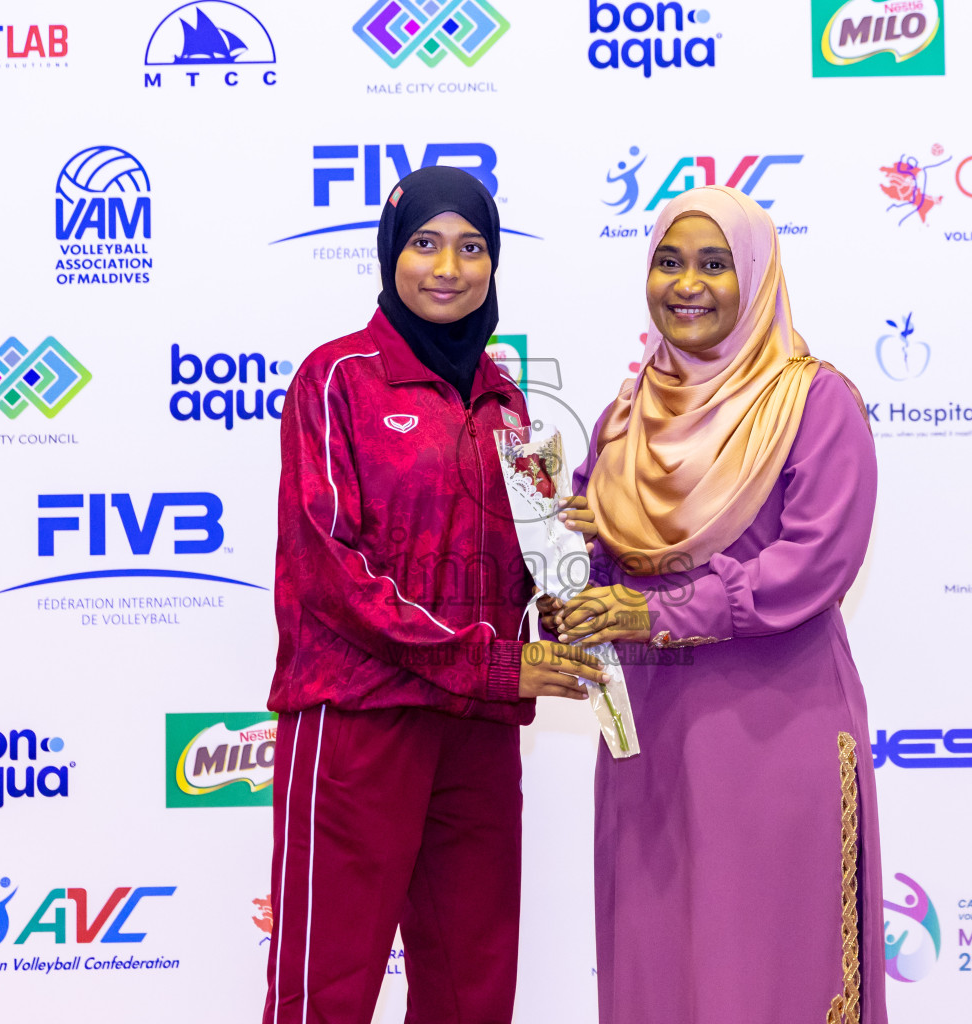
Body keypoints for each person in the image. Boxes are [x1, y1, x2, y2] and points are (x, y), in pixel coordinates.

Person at [263, 165, 604, 1024]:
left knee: (471, 991)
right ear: (390, 255)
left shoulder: (508, 402)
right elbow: (331, 572)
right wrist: (486, 664)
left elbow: (514, 567)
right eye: (424, 243)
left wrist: (572, 559)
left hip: (477, 733)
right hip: (359, 719)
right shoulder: (336, 380)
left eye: (471, 246)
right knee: (325, 992)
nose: (447, 266)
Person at [548, 185, 886, 1024]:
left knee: (771, 970)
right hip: (650, 739)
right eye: (668, 262)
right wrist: (568, 561)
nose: (687, 285)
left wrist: (656, 614)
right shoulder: (624, 420)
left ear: (758, 279)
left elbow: (814, 565)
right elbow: (594, 581)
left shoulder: (812, 404)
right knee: (661, 969)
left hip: (774, 732)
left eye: (713, 265)